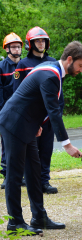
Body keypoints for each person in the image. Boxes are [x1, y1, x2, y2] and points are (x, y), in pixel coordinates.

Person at [0, 41, 82, 235]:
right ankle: (15, 223)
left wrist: (38, 125)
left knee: (34, 171)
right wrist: (67, 145)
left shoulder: (52, 70)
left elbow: (38, 100)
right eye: (80, 65)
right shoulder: (51, 74)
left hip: (28, 125)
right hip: (14, 123)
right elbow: (54, 110)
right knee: (15, 176)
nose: (81, 70)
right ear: (69, 59)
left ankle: (38, 217)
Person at [13, 26, 63, 194]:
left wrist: (58, 115)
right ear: (30, 44)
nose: (41, 43)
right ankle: (32, 182)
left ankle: (44, 182)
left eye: (43, 40)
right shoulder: (23, 64)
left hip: (49, 118)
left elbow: (59, 93)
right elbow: (18, 94)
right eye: (37, 41)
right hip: (31, 119)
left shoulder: (54, 63)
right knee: (31, 153)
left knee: (46, 151)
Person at [0, 33, 25, 189]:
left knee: (22, 144)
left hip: (23, 113)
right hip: (6, 113)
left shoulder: (25, 64)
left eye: (19, 46)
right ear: (7, 49)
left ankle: (20, 175)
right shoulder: (1, 67)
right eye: (14, 46)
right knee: (6, 145)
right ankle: (6, 176)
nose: (17, 49)